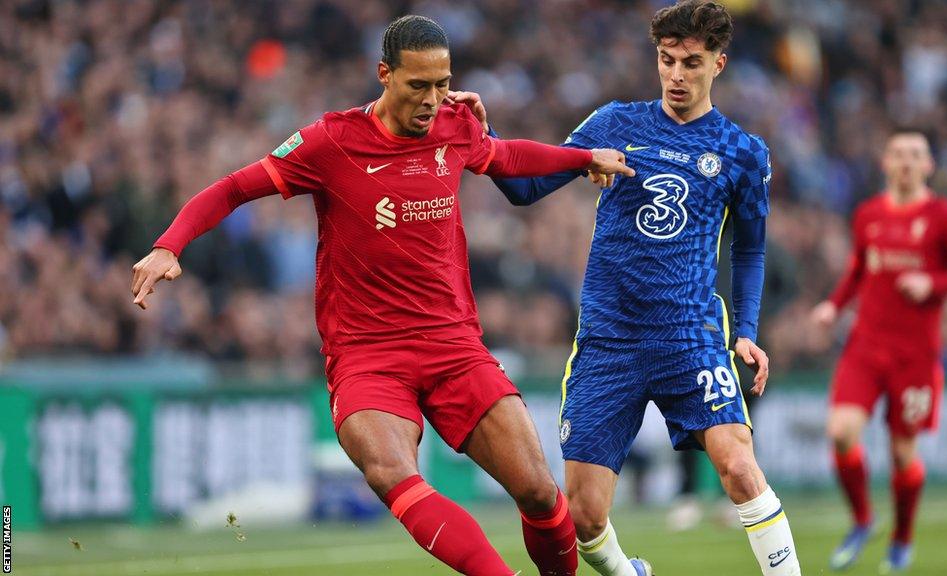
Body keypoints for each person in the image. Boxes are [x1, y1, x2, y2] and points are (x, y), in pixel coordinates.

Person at [131, 15, 635, 576]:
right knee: (392, 473)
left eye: (442, 84)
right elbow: (233, 187)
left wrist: (582, 158)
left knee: (540, 492)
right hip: (368, 355)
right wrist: (169, 245)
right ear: (384, 75)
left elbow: (508, 156)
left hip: (454, 345)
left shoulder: (455, 124)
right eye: (418, 85)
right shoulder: (330, 142)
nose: (433, 99)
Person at [451, 2, 801, 575]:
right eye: (667, 61)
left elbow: (751, 249)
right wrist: (483, 134)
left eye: (692, 62)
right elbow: (526, 187)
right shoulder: (615, 123)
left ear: (720, 64)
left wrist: (747, 331)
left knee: (739, 468)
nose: (677, 75)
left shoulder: (742, 152)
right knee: (584, 517)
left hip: (690, 335)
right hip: (609, 342)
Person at [811, 129, 947, 572]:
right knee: (840, 432)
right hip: (866, 347)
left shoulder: (944, 217)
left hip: (914, 356)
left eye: (916, 154)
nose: (906, 162)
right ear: (885, 163)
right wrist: (833, 306)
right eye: (898, 154)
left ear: (929, 165)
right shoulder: (868, 214)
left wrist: (934, 282)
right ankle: (863, 520)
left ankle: (902, 538)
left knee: (902, 454)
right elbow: (858, 268)